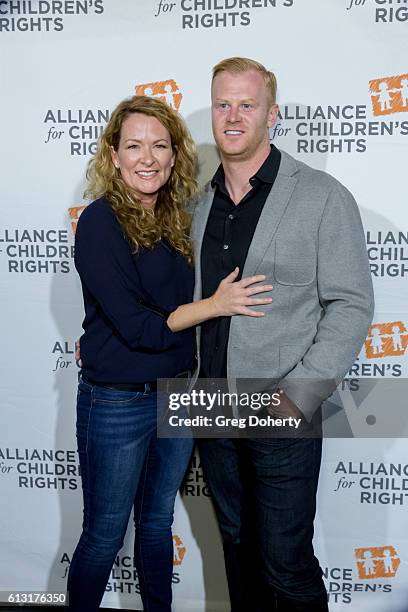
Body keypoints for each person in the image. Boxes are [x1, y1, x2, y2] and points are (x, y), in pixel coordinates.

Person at [67, 94, 273, 612]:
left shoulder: (182, 217)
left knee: (157, 525)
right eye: (134, 145)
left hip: (180, 392)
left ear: (175, 154)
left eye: (160, 145)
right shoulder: (99, 221)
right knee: (104, 536)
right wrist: (214, 305)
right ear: (112, 155)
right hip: (117, 401)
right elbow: (137, 326)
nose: (148, 157)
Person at [191, 58, 375, 612]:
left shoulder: (321, 195)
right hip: (210, 409)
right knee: (237, 554)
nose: (233, 116)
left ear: (272, 114)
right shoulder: (197, 203)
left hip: (282, 410)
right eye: (223, 104)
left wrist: (298, 398)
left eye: (247, 104)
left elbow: (350, 304)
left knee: (286, 564)